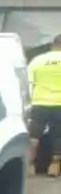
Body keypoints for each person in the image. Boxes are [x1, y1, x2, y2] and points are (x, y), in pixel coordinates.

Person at [28, 34, 61, 176]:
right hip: (59, 104)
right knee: (58, 136)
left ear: (52, 44)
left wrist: (31, 100)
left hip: (39, 102)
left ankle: (29, 165)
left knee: (34, 135)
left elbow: (29, 82)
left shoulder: (38, 60)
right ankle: (54, 166)